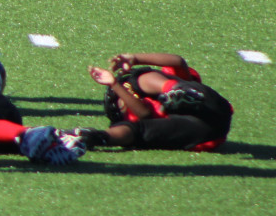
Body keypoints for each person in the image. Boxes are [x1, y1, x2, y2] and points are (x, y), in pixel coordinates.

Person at [71, 52, 232, 151]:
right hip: (206, 131)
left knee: (136, 79)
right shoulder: (134, 112)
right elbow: (144, 114)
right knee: (137, 129)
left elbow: (177, 62)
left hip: (206, 106)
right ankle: (93, 136)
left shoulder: (140, 88)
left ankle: (95, 136)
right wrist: (115, 84)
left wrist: (134, 59)